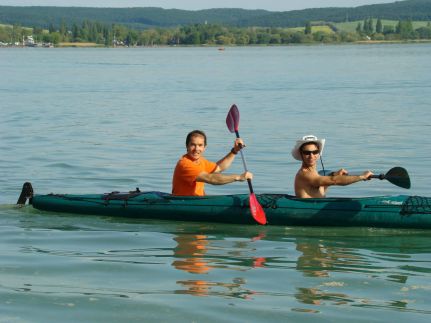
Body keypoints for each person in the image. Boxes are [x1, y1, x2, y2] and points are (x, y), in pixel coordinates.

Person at [172, 130, 253, 196]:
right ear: (187, 146)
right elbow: (211, 178)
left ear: (204, 147)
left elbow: (219, 167)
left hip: (198, 201)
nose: (196, 149)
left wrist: (234, 151)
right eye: (193, 145)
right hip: (184, 204)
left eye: (200, 145)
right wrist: (238, 177)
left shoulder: (201, 161)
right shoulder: (185, 164)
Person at [292, 135, 373, 198]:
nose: (311, 156)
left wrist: (335, 174)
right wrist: (362, 177)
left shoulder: (314, 173)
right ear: (301, 154)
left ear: (318, 153)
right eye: (307, 153)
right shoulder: (305, 174)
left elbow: (324, 183)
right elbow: (334, 181)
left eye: (315, 152)